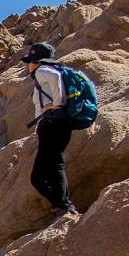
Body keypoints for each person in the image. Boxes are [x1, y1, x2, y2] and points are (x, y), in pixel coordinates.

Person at [23, 42, 80, 217]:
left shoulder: (42, 71)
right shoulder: (45, 74)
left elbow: (54, 77)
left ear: (37, 61)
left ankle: (64, 206)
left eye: (30, 61)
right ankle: (63, 205)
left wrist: (57, 104)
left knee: (47, 171)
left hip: (52, 123)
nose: (28, 65)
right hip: (57, 123)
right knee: (45, 172)